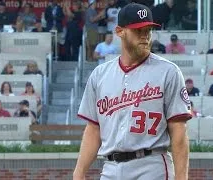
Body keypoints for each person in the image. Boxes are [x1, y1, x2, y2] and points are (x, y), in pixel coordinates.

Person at [74, 3, 192, 180]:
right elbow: (93, 129)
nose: (145, 36)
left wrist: (181, 177)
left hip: (151, 165)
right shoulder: (100, 75)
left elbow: (179, 130)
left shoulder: (169, 72)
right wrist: (79, 171)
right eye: (138, 30)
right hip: (110, 167)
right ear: (120, 31)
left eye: (148, 30)